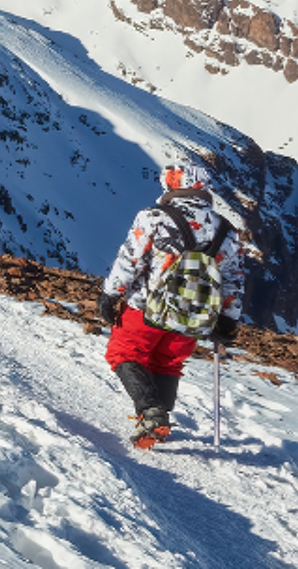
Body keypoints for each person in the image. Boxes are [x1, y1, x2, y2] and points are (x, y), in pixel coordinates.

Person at [97, 162, 245, 449]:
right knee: (167, 361)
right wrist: (227, 320)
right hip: (193, 317)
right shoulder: (226, 230)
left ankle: (152, 414)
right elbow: (233, 280)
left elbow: (130, 260)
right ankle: (157, 419)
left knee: (124, 352)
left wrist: (111, 294)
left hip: (147, 308)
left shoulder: (153, 217)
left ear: (171, 186)